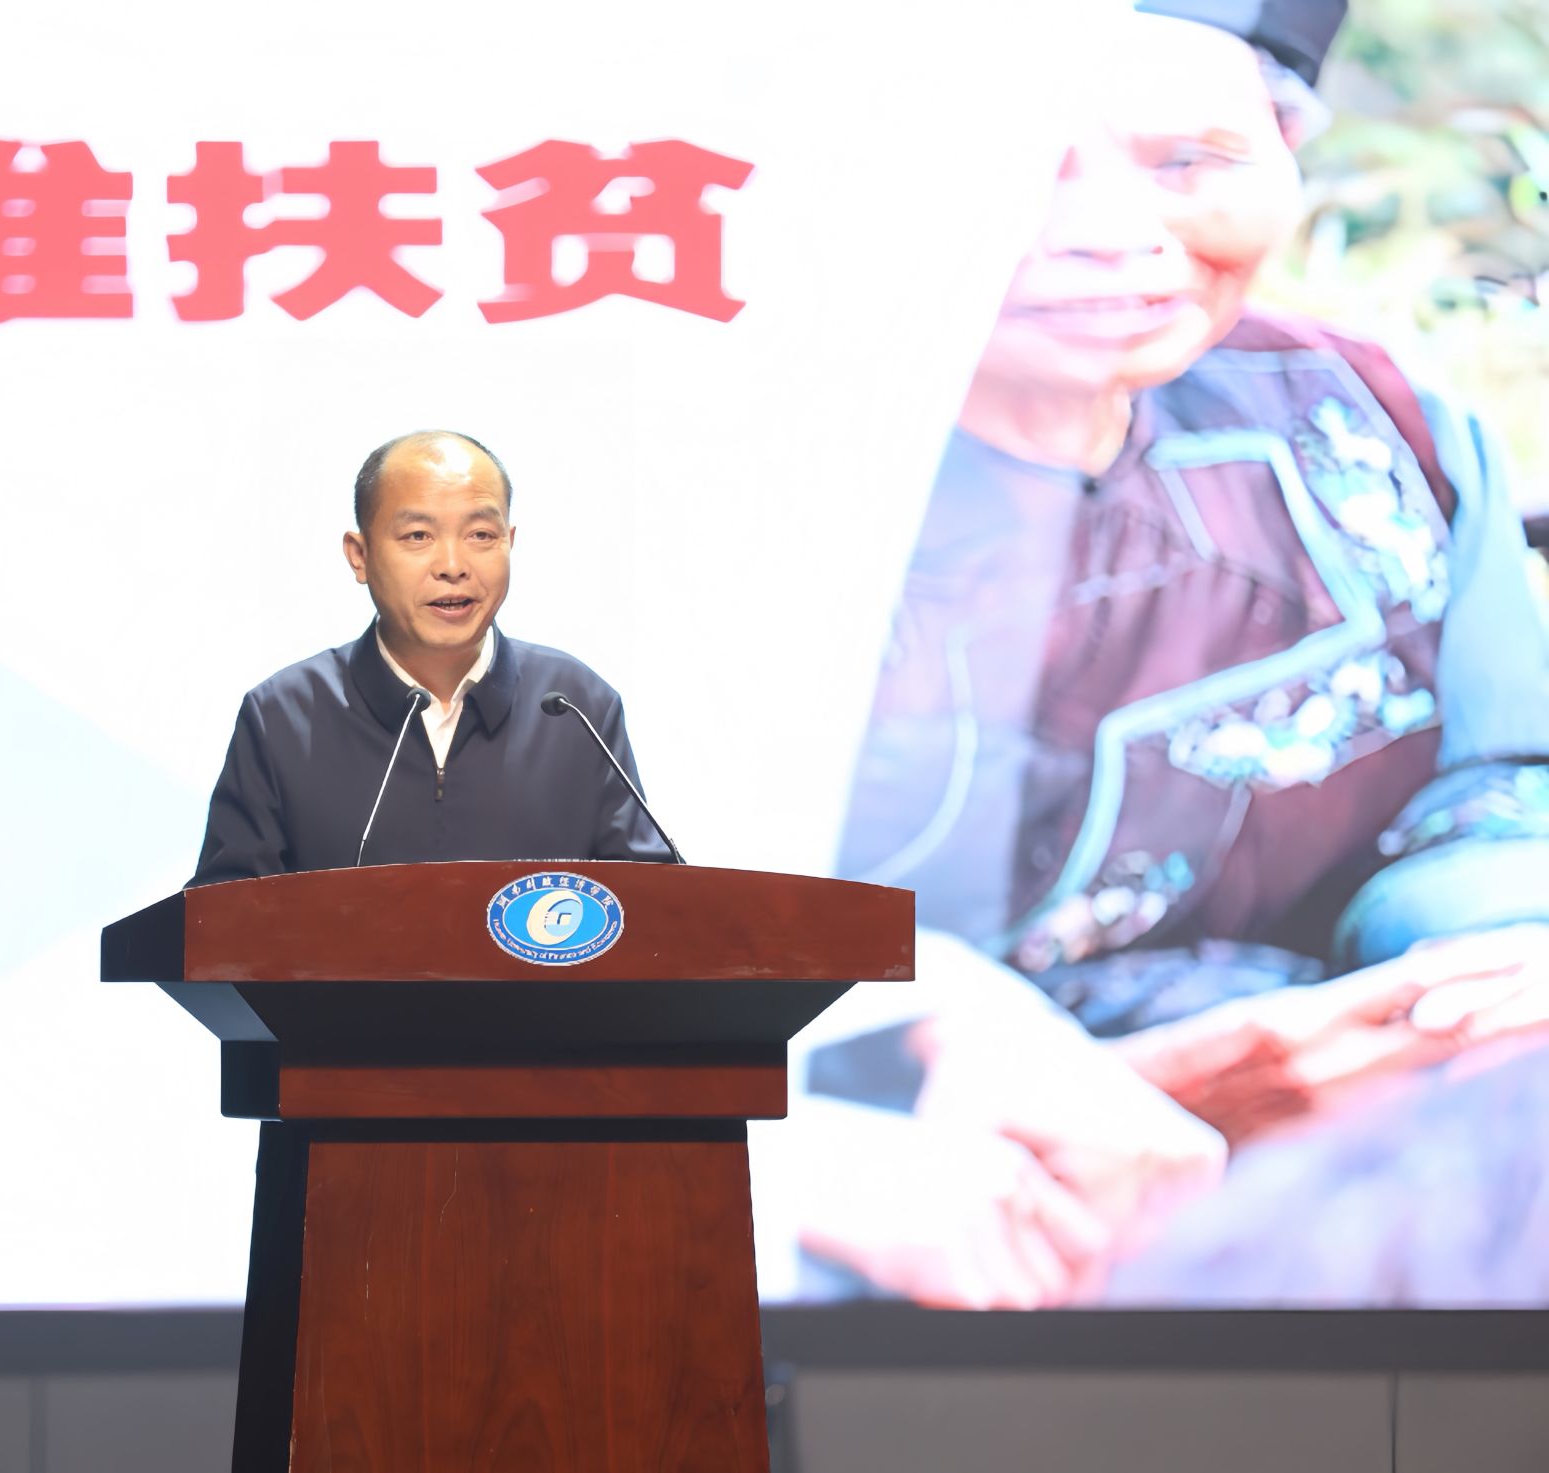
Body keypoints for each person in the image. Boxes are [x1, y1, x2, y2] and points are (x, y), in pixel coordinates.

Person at [789, 0, 1549, 1307]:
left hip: (1365, 1147)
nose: (1108, 229)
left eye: (1191, 161)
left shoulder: (1364, 421)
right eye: (1014, 167)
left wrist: (1480, 971)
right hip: (907, 1179)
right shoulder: (700, 480)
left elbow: (1484, 792)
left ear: (1289, 153)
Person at [189, 429, 672, 886]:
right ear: (359, 555)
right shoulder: (284, 715)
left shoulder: (577, 706)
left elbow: (654, 908)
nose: (453, 566)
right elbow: (220, 921)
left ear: (510, 542)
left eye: (480, 535)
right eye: (418, 536)